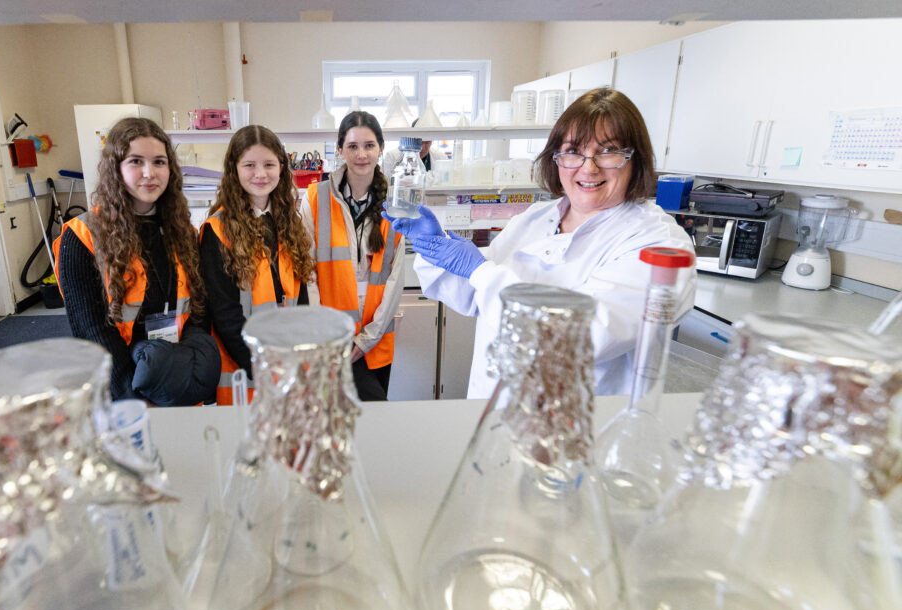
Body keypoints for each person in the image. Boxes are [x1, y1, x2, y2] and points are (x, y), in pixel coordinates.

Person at [387, 88, 697, 399]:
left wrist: (480, 270)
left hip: (579, 431)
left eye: (608, 151)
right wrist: (433, 246)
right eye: (573, 151)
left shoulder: (659, 244)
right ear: (556, 158)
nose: (589, 168)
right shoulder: (536, 217)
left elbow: (585, 338)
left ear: (635, 159)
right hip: (492, 410)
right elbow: (472, 296)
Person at [55, 117, 218, 404]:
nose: (149, 173)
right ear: (115, 168)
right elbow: (91, 331)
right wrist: (137, 400)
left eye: (159, 162)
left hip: (177, 379)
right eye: (135, 161)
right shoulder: (82, 237)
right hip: (124, 395)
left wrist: (187, 372)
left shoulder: (184, 232)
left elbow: (199, 311)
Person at [199, 125, 315, 404]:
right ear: (234, 169)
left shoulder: (288, 222)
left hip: (289, 366)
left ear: (282, 168)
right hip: (245, 372)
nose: (260, 174)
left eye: (269, 164)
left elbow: (299, 298)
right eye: (249, 165)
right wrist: (264, 370)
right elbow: (225, 315)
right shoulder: (217, 230)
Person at [300, 111, 405, 401]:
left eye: (369, 145)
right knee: (336, 419)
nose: (362, 154)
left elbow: (395, 280)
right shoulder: (315, 199)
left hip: (376, 342)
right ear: (340, 149)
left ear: (381, 149)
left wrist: (368, 339)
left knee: (374, 422)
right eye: (353, 146)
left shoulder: (396, 203)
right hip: (330, 341)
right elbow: (307, 273)